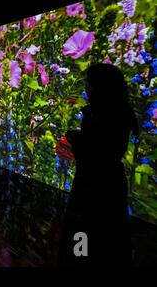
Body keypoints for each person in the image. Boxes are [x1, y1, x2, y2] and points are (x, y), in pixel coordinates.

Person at [58, 63, 139, 266]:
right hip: (112, 182)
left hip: (91, 184)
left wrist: (75, 138)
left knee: (83, 230)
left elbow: (94, 150)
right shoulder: (122, 111)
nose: (86, 87)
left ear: (98, 86)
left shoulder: (99, 113)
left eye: (89, 83)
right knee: (110, 235)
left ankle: (80, 260)